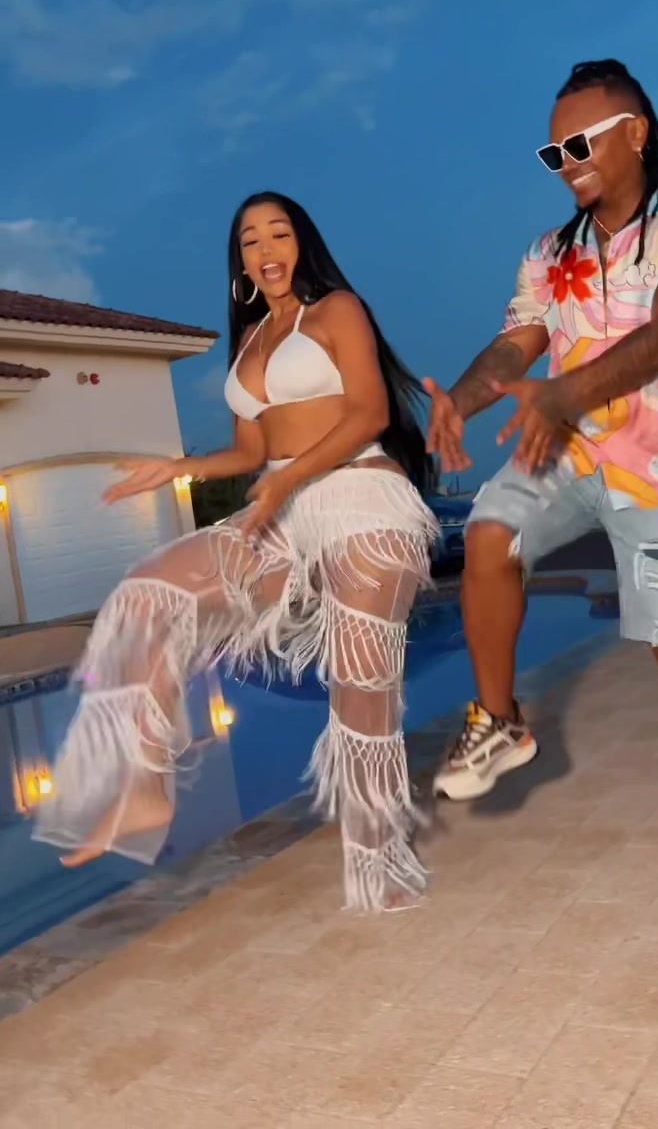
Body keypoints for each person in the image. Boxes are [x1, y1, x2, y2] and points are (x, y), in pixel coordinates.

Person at [34, 192, 439, 913]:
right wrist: (179, 468)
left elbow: (369, 412)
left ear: (301, 243)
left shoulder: (337, 309)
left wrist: (288, 477)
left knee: (361, 689)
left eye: (278, 233)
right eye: (250, 240)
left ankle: (379, 864)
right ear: (241, 263)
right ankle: (144, 791)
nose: (265, 248)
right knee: (150, 595)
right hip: (282, 510)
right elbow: (251, 452)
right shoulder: (250, 341)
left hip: (363, 500)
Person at [426, 59, 658, 872]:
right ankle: (499, 721)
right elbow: (516, 343)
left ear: (637, 133)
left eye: (580, 145)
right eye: (553, 153)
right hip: (562, 451)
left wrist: (564, 394)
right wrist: (459, 402)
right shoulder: (549, 252)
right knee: (490, 532)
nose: (566, 164)